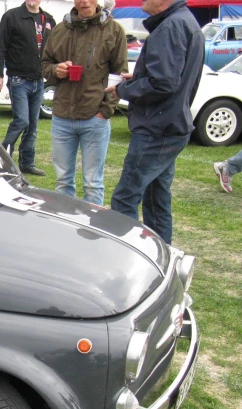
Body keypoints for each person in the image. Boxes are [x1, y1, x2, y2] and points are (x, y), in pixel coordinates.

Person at [106, 0, 204, 244]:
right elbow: (172, 76)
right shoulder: (184, 21)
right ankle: (162, 255)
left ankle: (129, 258)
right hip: (171, 124)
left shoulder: (170, 26)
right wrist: (138, 76)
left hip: (157, 129)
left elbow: (164, 83)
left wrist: (123, 89)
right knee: (156, 197)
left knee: (125, 198)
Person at [41, 0, 127, 206]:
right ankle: (66, 230)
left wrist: (105, 111)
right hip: (62, 117)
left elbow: (120, 74)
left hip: (94, 118)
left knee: (93, 183)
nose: (85, 1)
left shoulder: (113, 30)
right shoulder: (60, 29)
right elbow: (45, 65)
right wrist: (56, 70)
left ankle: (92, 234)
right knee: (63, 182)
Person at [0, 0, 55, 176]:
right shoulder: (11, 16)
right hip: (18, 79)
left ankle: (27, 163)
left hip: (39, 80)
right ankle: (2, 157)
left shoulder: (48, 19)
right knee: (22, 120)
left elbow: (54, 49)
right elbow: (1, 47)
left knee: (33, 125)